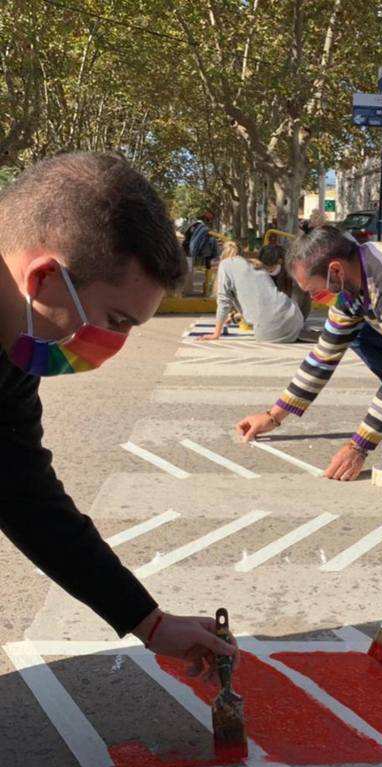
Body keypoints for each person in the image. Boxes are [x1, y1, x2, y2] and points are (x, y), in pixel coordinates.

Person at [0, 153, 236, 675]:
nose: (113, 344)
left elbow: (23, 494)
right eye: (116, 320)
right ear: (42, 278)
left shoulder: (13, 349)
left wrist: (147, 621)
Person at [235, 225, 382, 480]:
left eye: (312, 289)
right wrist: (273, 416)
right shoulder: (354, 278)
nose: (314, 297)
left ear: (334, 270)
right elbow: (323, 357)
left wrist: (358, 446)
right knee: (355, 332)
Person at [206, 244, 304, 343]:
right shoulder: (255, 264)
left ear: (221, 257)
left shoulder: (225, 264)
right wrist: (235, 316)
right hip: (294, 319)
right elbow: (263, 302)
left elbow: (223, 302)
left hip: (269, 333)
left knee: (265, 331)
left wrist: (216, 333)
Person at [258, 243, 311, 320]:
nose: (268, 271)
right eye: (265, 268)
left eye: (270, 268)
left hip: (296, 315)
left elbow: (295, 304)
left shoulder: (295, 273)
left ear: (280, 261)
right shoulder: (264, 272)